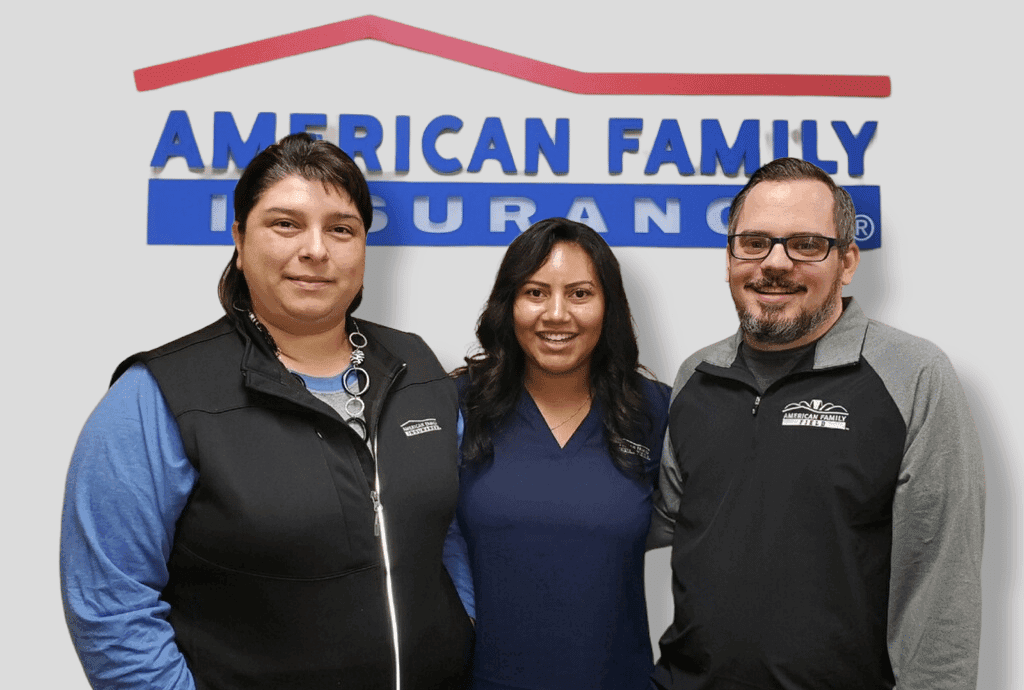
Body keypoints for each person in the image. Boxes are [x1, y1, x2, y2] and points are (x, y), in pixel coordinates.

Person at [60, 133, 473, 690]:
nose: (316, 250)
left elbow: (451, 532)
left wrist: (463, 627)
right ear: (238, 237)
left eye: (341, 229)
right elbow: (112, 609)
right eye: (286, 224)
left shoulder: (417, 367)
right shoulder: (157, 397)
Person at [648, 157, 985, 690]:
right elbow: (643, 522)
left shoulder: (912, 375)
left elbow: (940, 590)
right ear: (730, 255)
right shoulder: (697, 376)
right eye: (754, 242)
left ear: (847, 261)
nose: (774, 263)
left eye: (805, 244)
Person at [445, 218, 671, 690]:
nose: (557, 314)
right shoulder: (456, 405)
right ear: (508, 305)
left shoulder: (655, 411)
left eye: (580, 294)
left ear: (609, 306)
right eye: (535, 292)